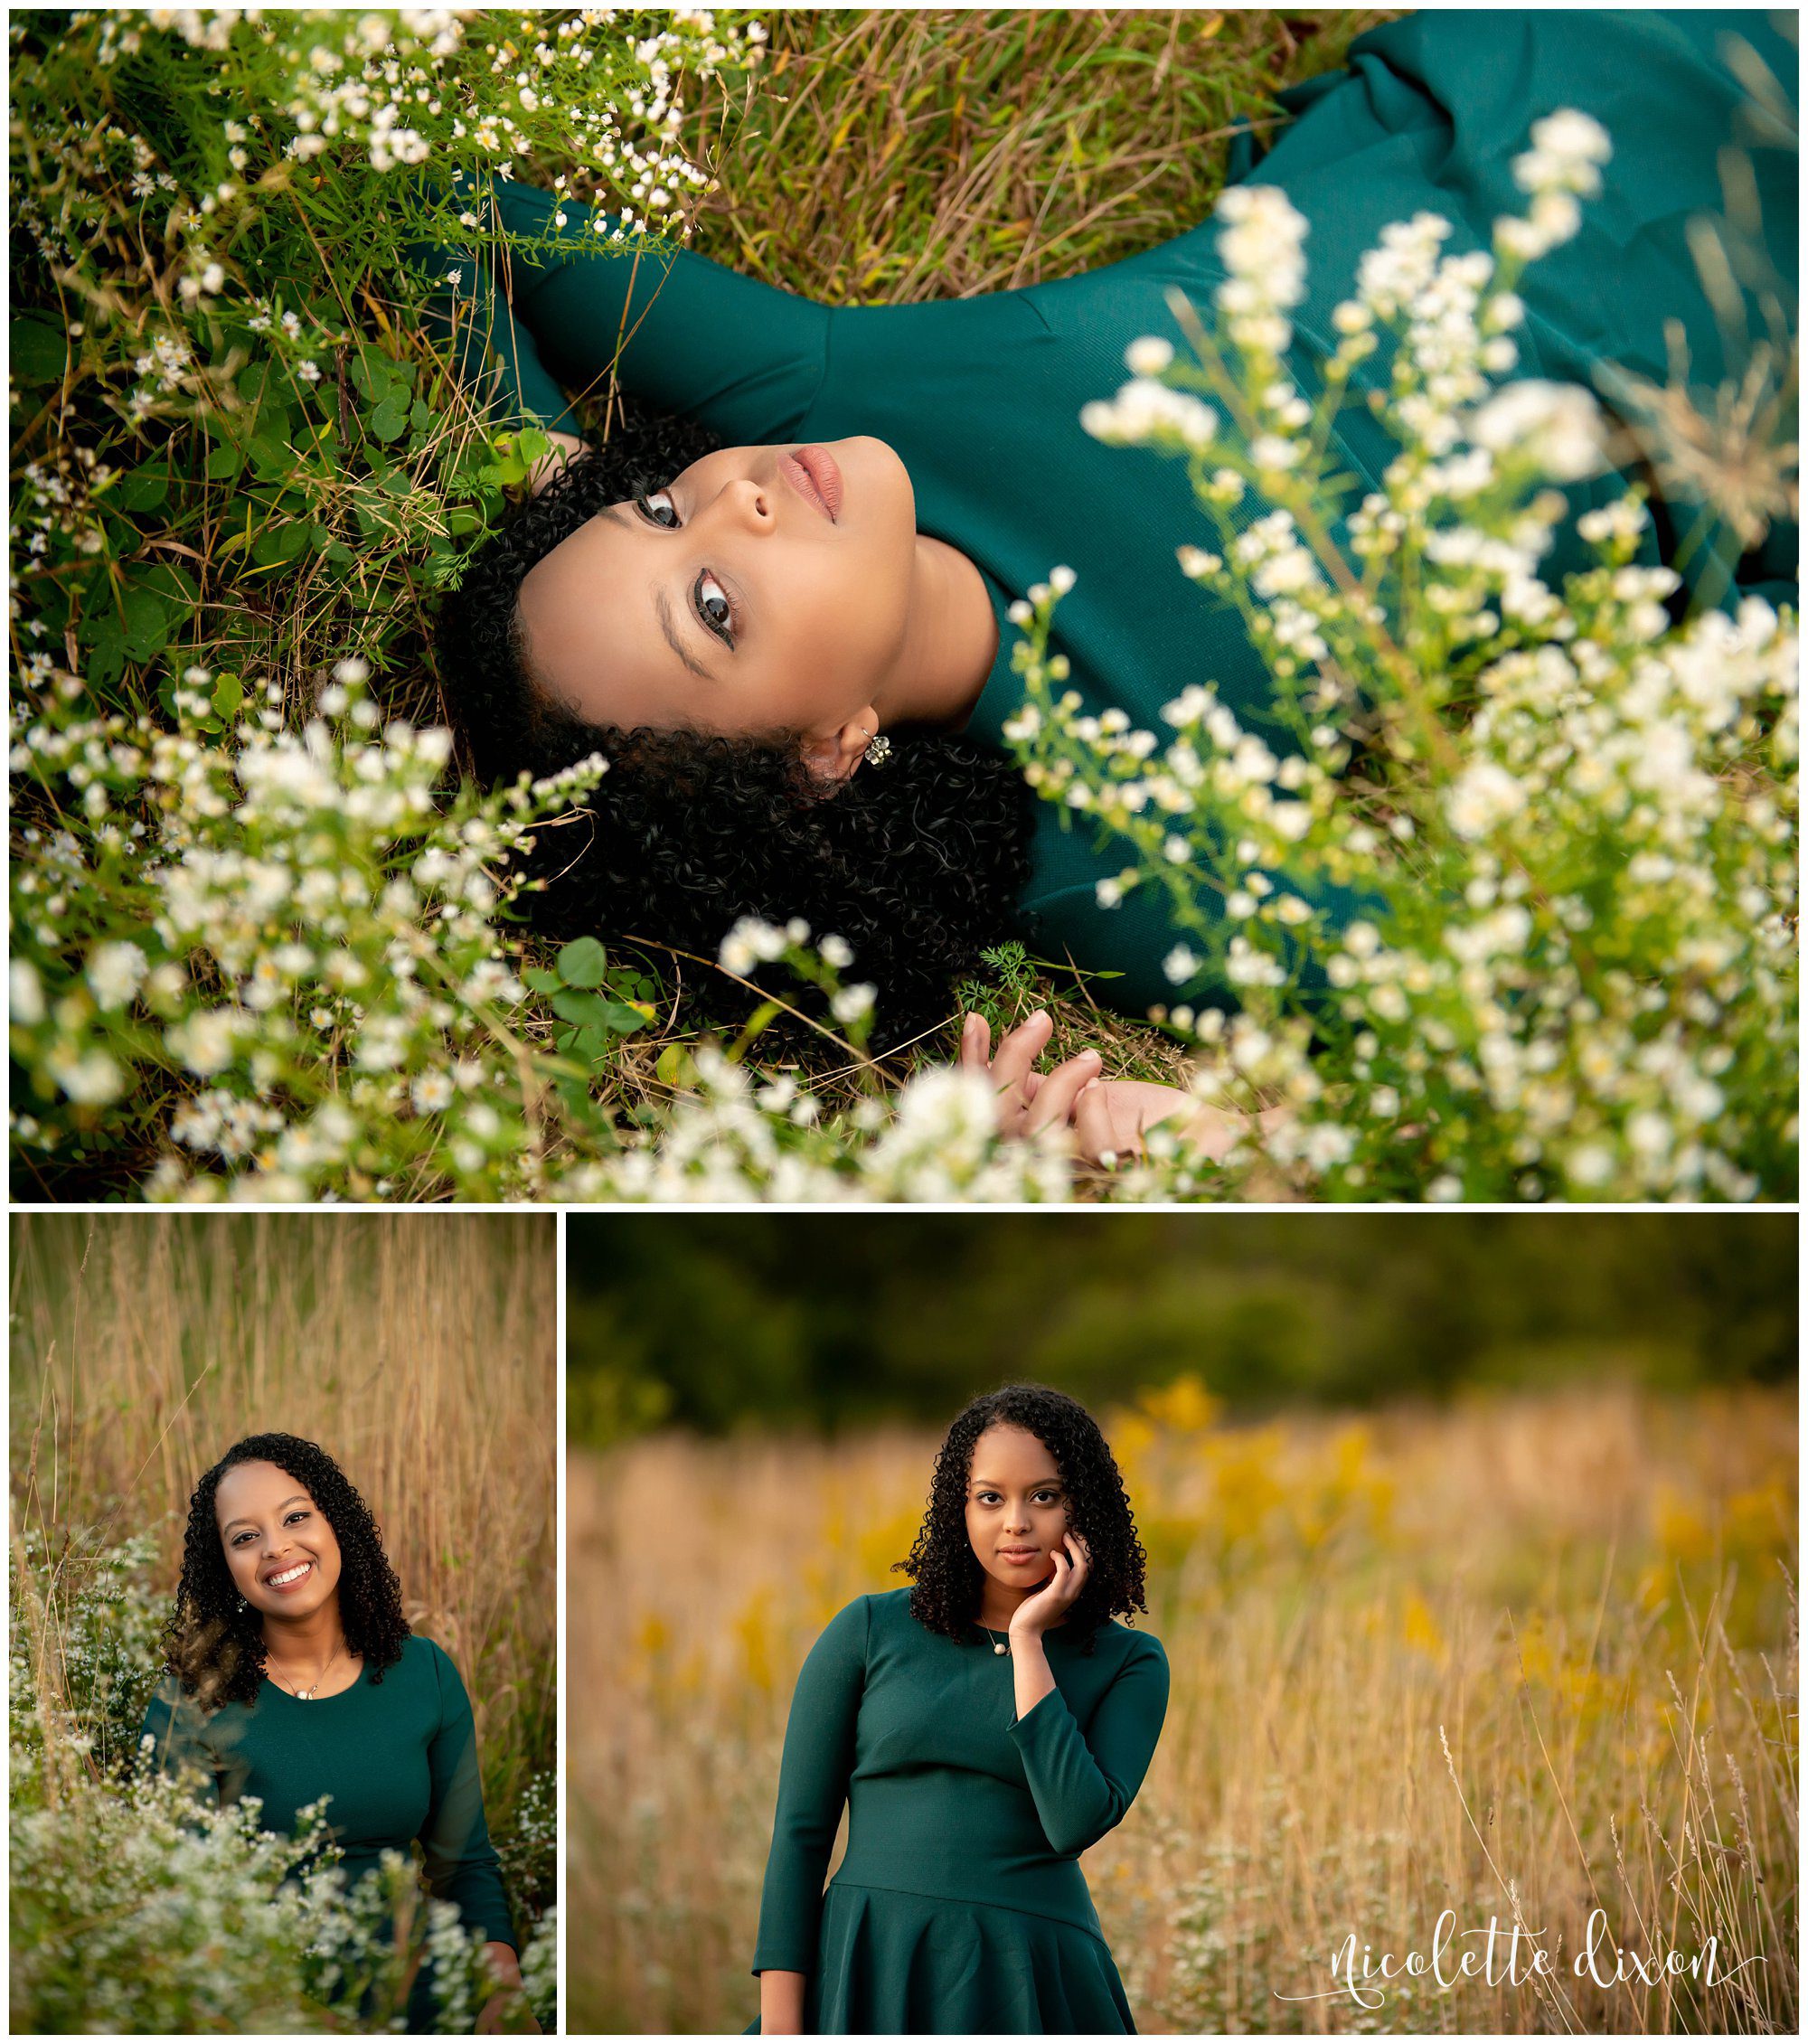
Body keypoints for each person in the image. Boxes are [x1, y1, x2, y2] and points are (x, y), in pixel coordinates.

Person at [415, 9, 1798, 1152]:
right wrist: (1194, 1136)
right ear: (827, 756)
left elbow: (452, 208)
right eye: (713, 608)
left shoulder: (822, 390)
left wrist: (544, 477)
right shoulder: (1098, 842)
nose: (738, 494)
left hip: (1544, 99)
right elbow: (1486, 1012)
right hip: (1723, 368)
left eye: (659, 504)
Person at [745, 1385, 1168, 2034]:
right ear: (958, 1507)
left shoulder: (1128, 1661)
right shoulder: (869, 1630)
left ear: (1085, 1508)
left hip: (1033, 1973)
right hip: (872, 1961)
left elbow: (1074, 1821)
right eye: (991, 1497)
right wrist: (780, 2029)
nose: (1016, 1522)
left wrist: (1028, 1640)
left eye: (1045, 1495)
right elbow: (800, 1838)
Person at [138, 1433, 536, 2036]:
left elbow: (465, 1867)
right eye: (245, 1537)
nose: (277, 1547)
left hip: (432, 2000)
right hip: (269, 2008)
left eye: (296, 1516)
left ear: (336, 1524)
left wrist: (502, 1994)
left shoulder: (423, 1672)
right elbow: (180, 1911)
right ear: (225, 1565)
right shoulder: (190, 1699)